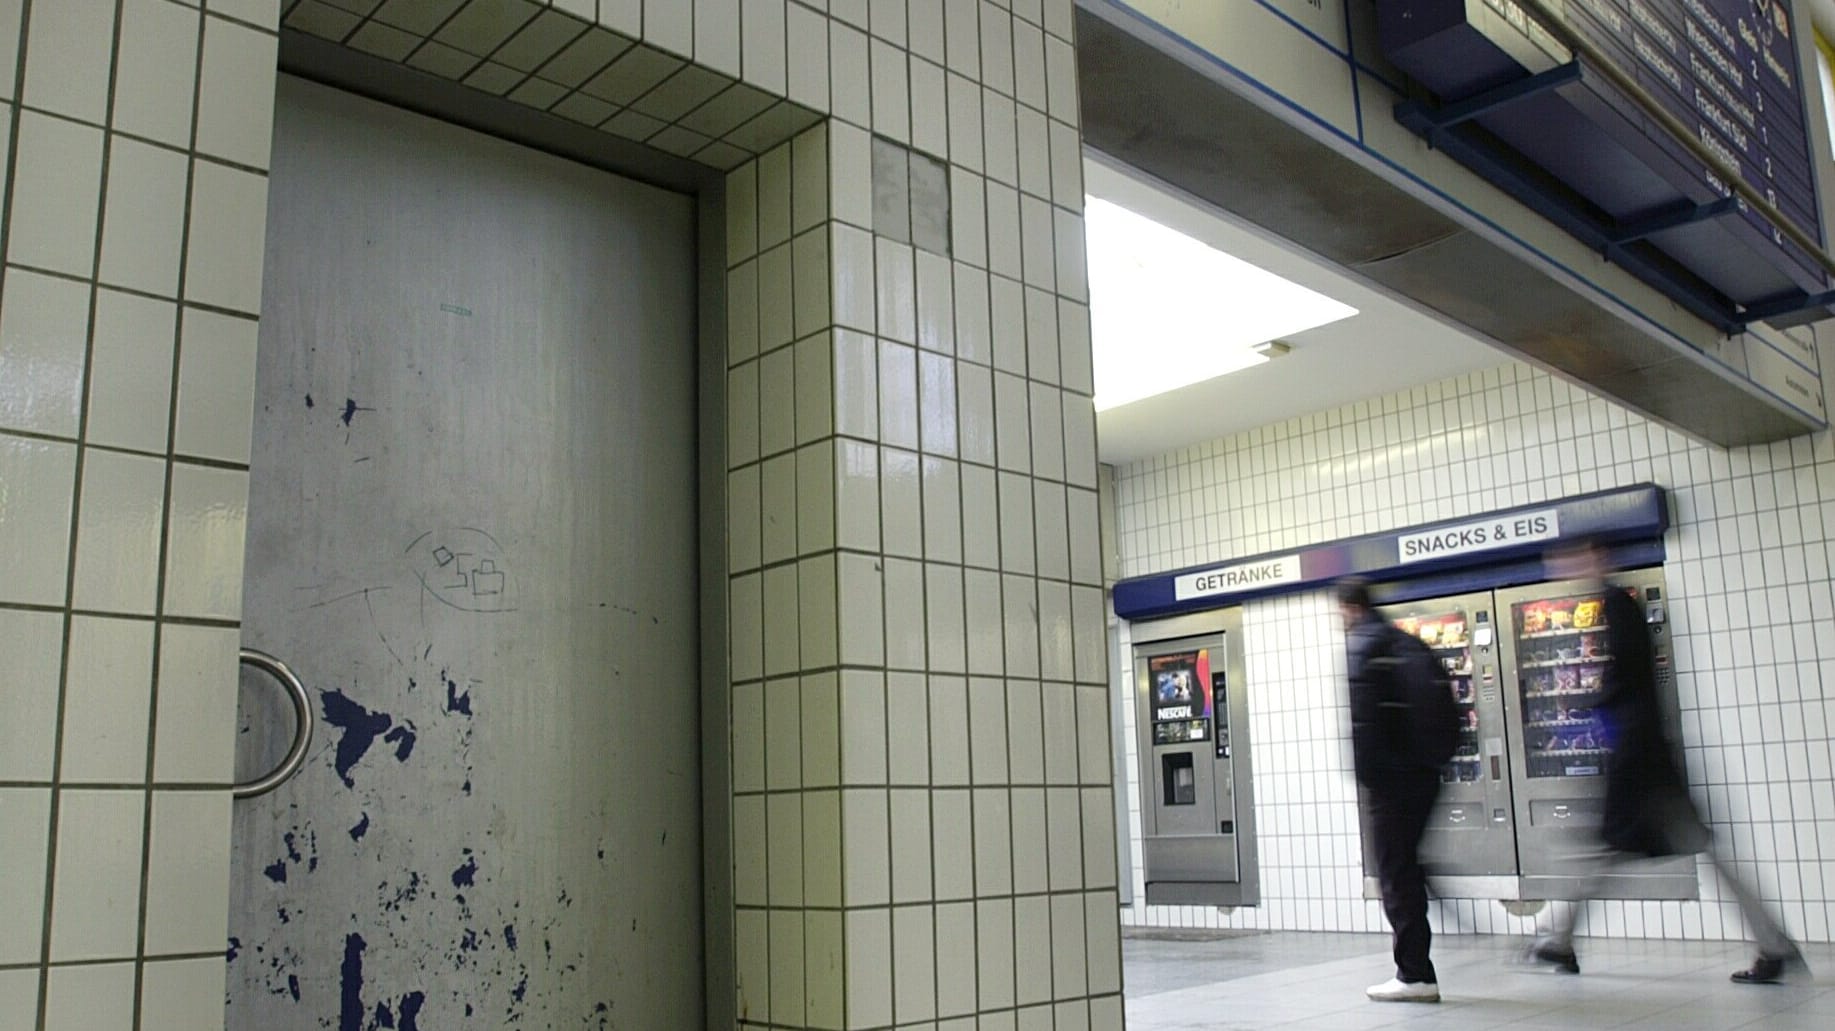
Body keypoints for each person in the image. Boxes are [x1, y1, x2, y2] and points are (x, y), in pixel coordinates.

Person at [1524, 538, 1805, 984]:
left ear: (1597, 557)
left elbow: (1627, 676)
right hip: (1649, 757)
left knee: (1598, 849)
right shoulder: (1618, 603)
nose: (1564, 570)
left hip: (1639, 760)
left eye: (1570, 560)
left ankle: (1558, 941)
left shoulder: (1616, 604)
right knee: (1676, 849)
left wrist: (1588, 702)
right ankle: (1775, 944)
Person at [1340, 577, 1444, 1003]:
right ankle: (1417, 968)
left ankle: (1414, 974)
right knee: (1405, 868)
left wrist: (1370, 779)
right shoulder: (1404, 641)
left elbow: (1365, 725)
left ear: (1348, 609)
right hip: (1423, 775)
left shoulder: (1364, 646)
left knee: (1395, 875)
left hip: (1391, 783)